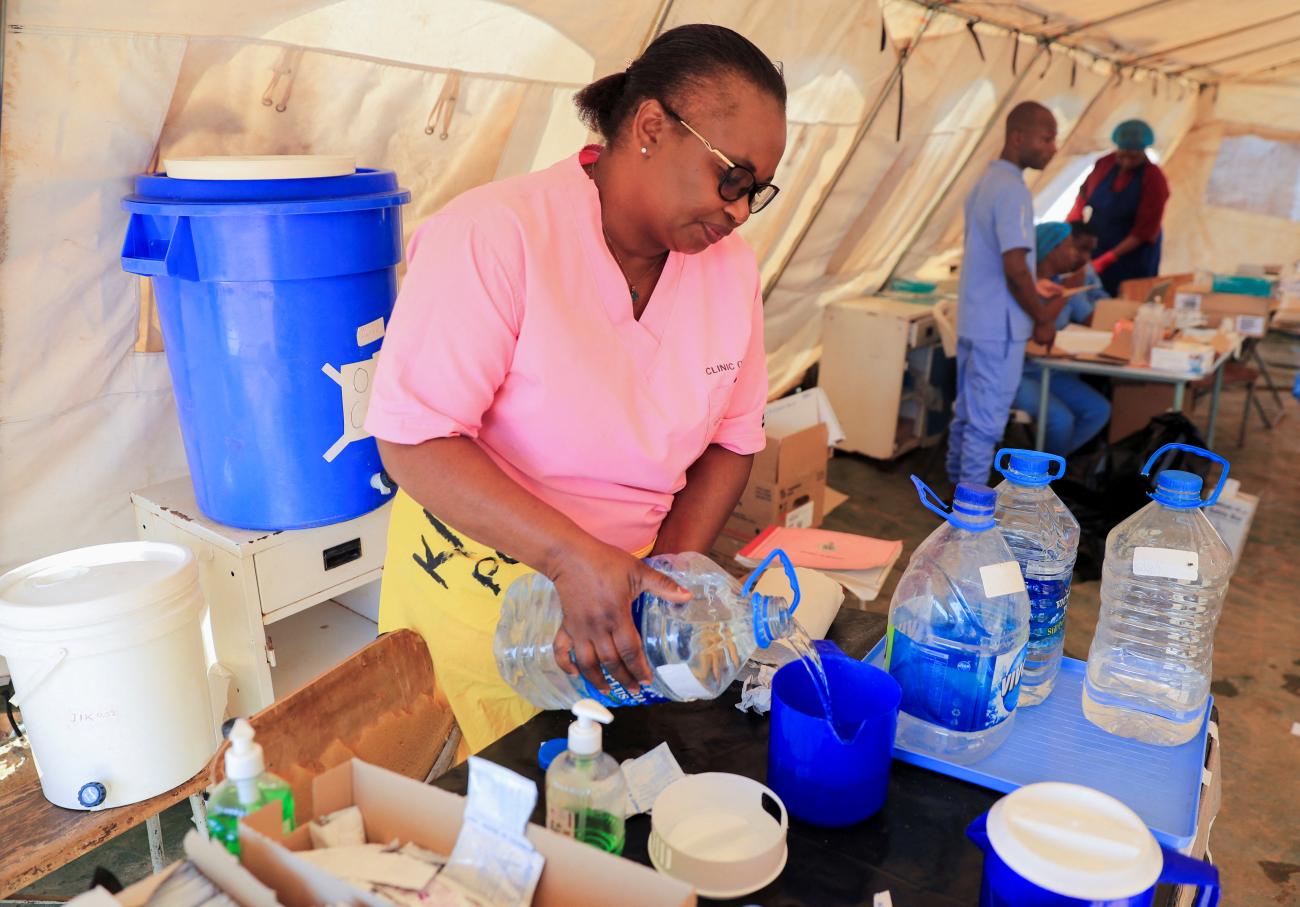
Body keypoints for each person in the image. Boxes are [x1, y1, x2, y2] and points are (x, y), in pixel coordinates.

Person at [363, 25, 788, 755]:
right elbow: (414, 438)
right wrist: (569, 560)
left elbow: (732, 439)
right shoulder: (496, 236)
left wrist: (665, 580)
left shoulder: (731, 272)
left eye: (758, 191)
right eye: (732, 178)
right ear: (652, 126)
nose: (741, 210)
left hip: (622, 620)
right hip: (492, 615)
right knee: (506, 818)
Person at [947, 101, 1066, 488]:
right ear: (1018, 137)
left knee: (966, 415)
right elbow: (1014, 267)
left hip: (974, 319)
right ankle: (968, 514)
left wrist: (1034, 284)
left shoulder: (984, 183)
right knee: (985, 425)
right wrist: (1043, 317)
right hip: (999, 328)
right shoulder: (1013, 191)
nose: (1053, 148)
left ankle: (954, 494)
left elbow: (1002, 264)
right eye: (1046, 138)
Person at [1014, 222, 1111, 456]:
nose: (1076, 254)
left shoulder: (1062, 282)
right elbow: (1040, 327)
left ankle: (1053, 467)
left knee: (1099, 410)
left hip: (1052, 370)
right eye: (1069, 247)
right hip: (1016, 373)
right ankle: (1044, 477)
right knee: (1061, 420)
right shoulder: (1022, 286)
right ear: (1050, 250)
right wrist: (1066, 291)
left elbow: (1090, 318)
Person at [1067, 119, 1170, 296]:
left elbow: (1143, 232)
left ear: (1144, 150)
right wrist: (1072, 231)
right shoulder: (1104, 164)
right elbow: (1083, 196)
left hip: (1134, 255)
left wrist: (1108, 258)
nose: (1126, 159)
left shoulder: (1154, 178)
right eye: (1123, 152)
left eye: (1134, 153)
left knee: (1125, 299)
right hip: (1098, 243)